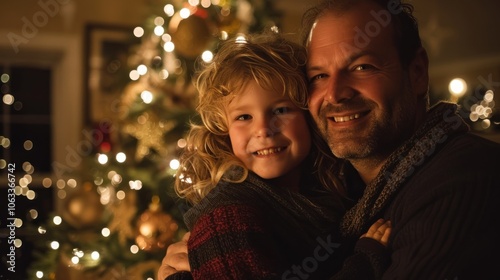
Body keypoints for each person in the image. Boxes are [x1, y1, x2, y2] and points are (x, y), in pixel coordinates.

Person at [159, 0, 500, 279]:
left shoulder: (463, 178)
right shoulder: (345, 190)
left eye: (363, 67)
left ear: (417, 72)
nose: (335, 93)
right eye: (319, 76)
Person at [160, 31, 392, 280]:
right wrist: (365, 262)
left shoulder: (326, 195)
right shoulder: (228, 220)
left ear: (308, 117)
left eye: (281, 109)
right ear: (224, 131)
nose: (263, 130)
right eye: (243, 117)